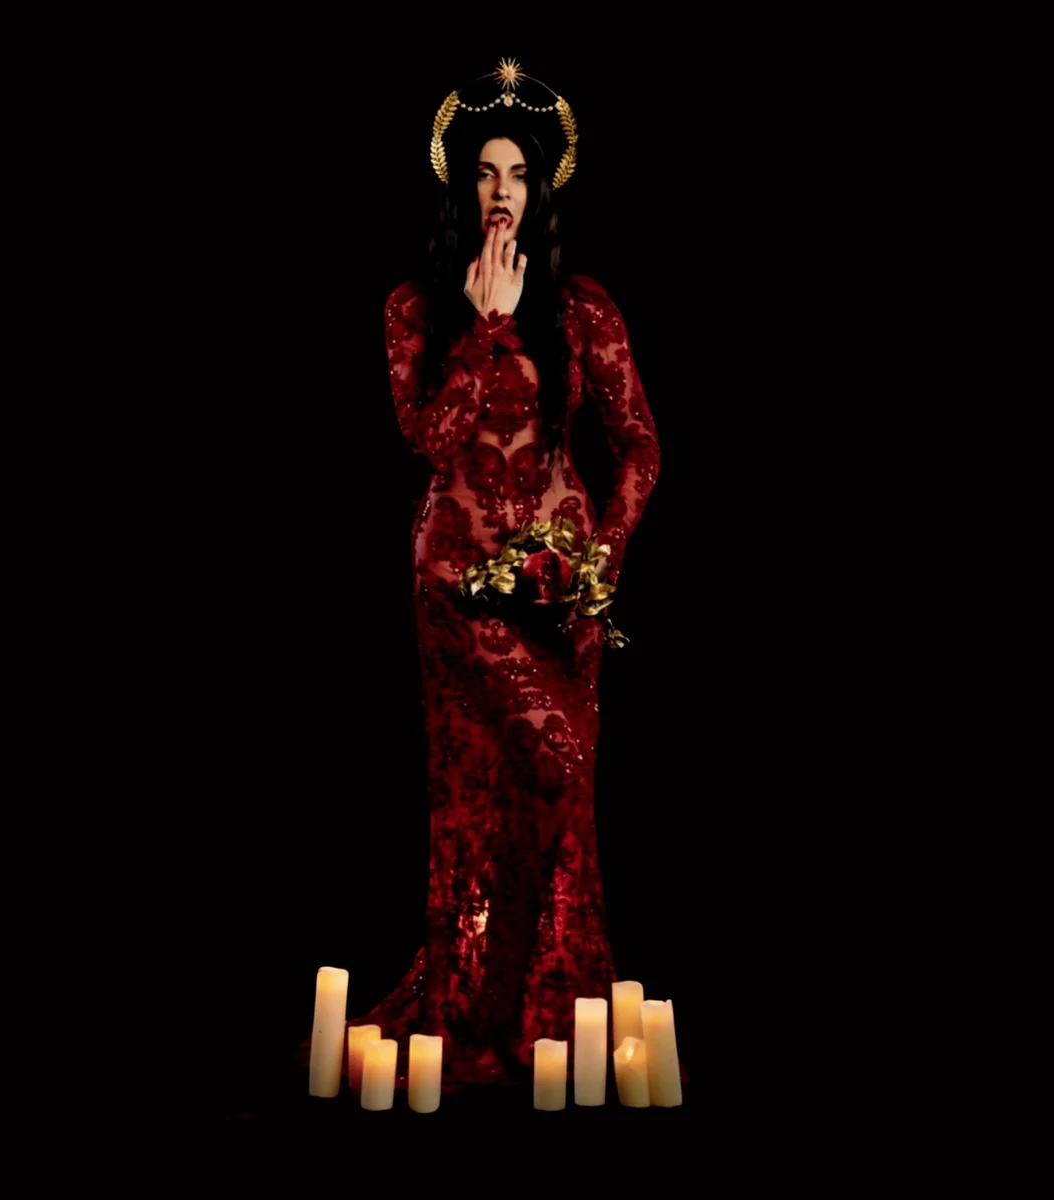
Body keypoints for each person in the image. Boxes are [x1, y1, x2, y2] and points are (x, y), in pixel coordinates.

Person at [303, 60, 661, 1089]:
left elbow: (640, 447)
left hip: (562, 596)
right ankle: (475, 1010)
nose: (501, 189)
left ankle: (545, 1016)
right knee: (478, 799)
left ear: (542, 188)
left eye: (519, 172)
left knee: (558, 788)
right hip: (456, 587)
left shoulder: (585, 307)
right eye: (484, 171)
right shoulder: (415, 307)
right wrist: (488, 325)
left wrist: (599, 559)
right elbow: (428, 438)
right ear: (460, 185)